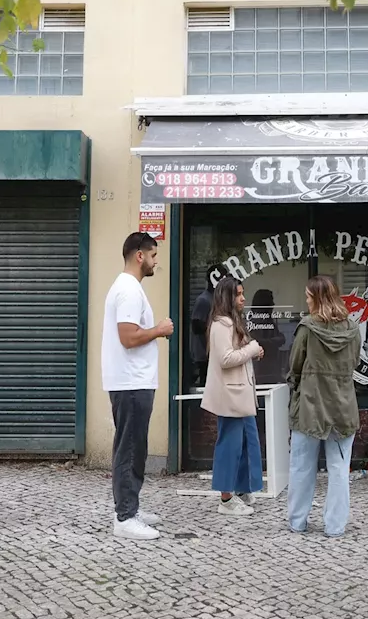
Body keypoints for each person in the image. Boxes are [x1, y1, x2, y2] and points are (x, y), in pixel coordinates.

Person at [102, 232, 173, 541]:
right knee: (130, 448)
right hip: (131, 382)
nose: (156, 261)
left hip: (133, 381)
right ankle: (125, 517)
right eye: (153, 255)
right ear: (139, 255)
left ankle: (130, 507)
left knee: (134, 447)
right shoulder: (129, 290)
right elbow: (128, 337)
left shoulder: (128, 288)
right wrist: (159, 329)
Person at [286, 274, 361, 538]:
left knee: (301, 467)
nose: (306, 302)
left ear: (316, 299)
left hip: (309, 406)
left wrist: (297, 386)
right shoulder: (352, 329)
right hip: (343, 406)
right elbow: (355, 363)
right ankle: (335, 526)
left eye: (308, 297)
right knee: (339, 470)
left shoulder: (307, 328)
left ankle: (297, 521)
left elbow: (295, 366)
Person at [200, 276, 265, 516]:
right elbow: (226, 359)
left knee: (246, 442)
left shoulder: (230, 322)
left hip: (239, 393)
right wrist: (251, 349)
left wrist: (252, 350)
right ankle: (226, 498)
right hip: (230, 396)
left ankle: (240, 489)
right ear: (228, 297)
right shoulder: (221, 324)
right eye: (239, 294)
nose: (243, 298)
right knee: (230, 445)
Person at [189, 266, 219, 389]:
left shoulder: (215, 299)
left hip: (213, 354)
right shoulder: (204, 300)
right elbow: (196, 325)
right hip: (204, 356)